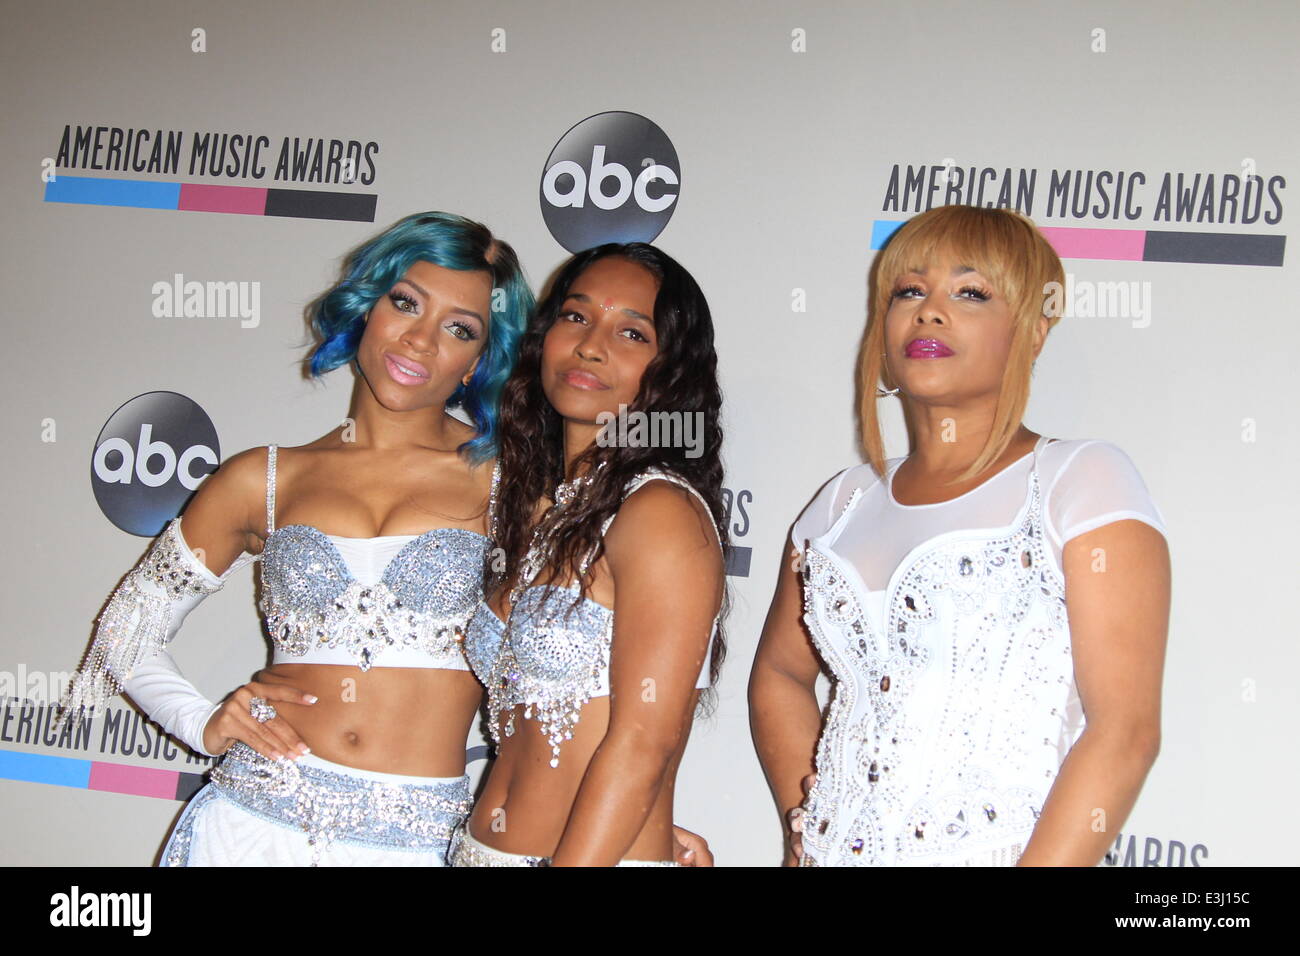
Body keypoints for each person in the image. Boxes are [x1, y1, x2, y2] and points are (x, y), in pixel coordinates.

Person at [57, 211, 532, 865]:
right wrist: (203, 721)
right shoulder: (263, 478)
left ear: (479, 361)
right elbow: (123, 634)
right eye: (405, 303)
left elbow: (574, 681)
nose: (421, 340)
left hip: (414, 844)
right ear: (368, 306)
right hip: (251, 827)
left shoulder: (515, 487)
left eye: (458, 328)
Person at [750, 205, 1171, 866]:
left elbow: (1124, 732)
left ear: (1032, 333)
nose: (930, 311)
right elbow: (777, 673)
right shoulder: (839, 505)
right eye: (909, 291)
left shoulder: (1079, 481)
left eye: (970, 293)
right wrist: (805, 824)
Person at [452, 242, 728, 866]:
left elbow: (643, 743)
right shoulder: (532, 502)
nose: (591, 345)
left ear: (671, 370)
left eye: (631, 332)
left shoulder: (658, 511)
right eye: (576, 317)